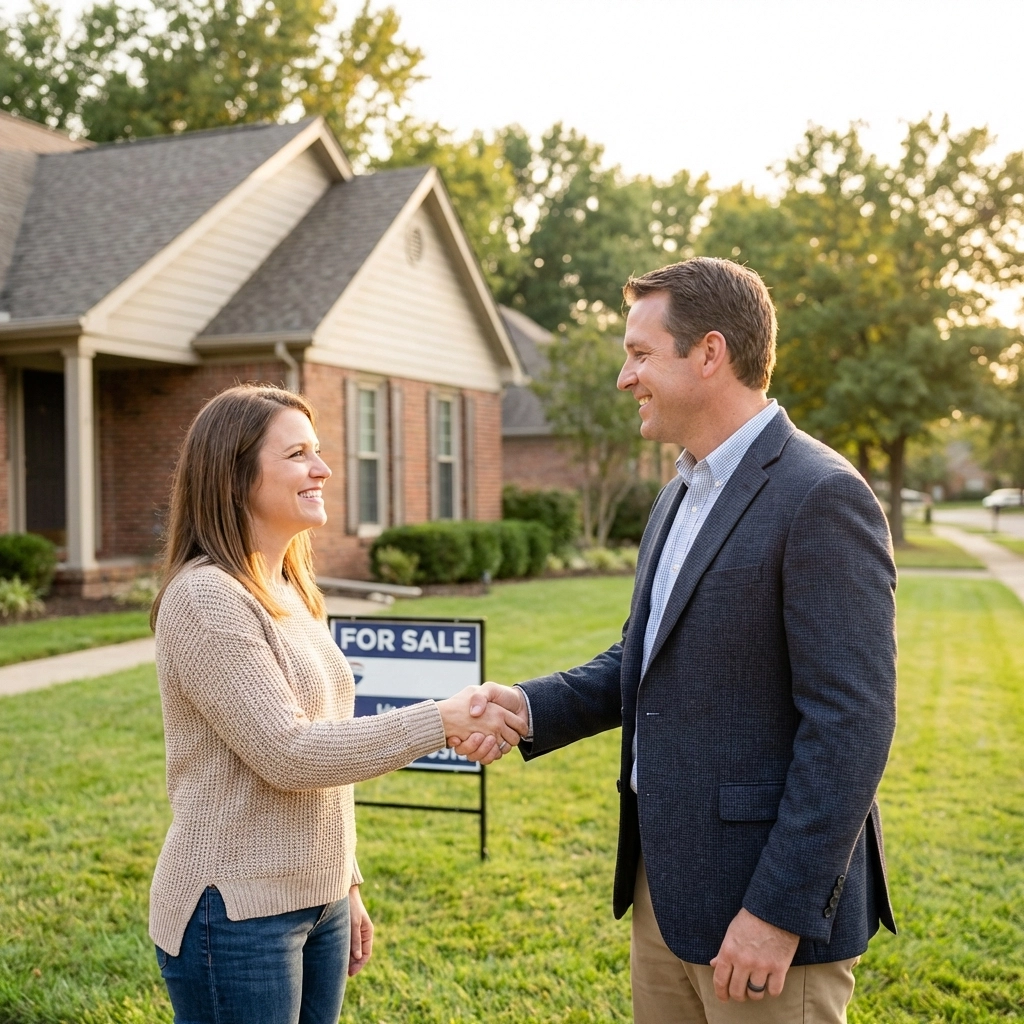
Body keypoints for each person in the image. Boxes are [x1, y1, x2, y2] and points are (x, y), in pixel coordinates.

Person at [456, 258, 898, 1023]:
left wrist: (777, 913)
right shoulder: (678, 492)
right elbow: (645, 659)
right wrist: (530, 706)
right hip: (664, 889)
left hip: (760, 917)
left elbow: (851, 725)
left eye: (639, 353)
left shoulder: (822, 495)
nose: (625, 378)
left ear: (710, 353)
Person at [148, 384, 522, 1024]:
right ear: (235, 476)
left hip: (318, 902)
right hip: (236, 912)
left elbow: (329, 738)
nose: (323, 469)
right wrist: (443, 718)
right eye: (298, 454)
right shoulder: (205, 599)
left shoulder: (290, 588)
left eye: (317, 451)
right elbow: (288, 753)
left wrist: (343, 881)